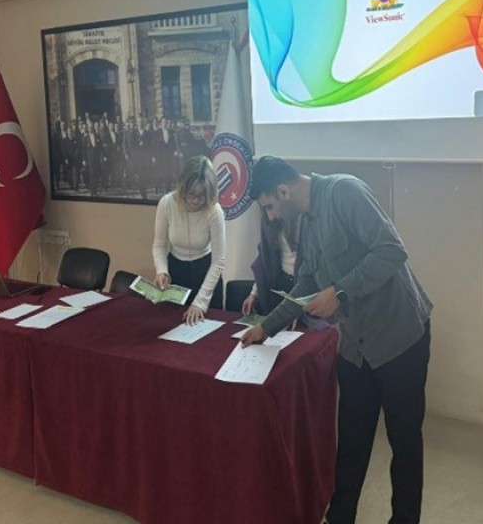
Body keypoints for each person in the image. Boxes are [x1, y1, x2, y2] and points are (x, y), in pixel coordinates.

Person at [241, 156, 433, 524]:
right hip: (356, 348)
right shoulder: (307, 221)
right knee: (352, 441)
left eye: (268, 207)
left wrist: (340, 292)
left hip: (400, 338)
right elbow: (307, 281)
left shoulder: (346, 191)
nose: (271, 217)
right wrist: (266, 327)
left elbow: (392, 250)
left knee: (404, 441)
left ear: (283, 191)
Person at [152, 155, 226, 325]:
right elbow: (159, 245)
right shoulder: (167, 203)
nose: (195, 201)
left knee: (206, 329)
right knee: (171, 326)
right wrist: (162, 271)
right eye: (191, 194)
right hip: (176, 272)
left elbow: (219, 261)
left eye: (202, 196)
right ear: (182, 188)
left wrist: (200, 302)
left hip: (206, 274)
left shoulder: (214, 211)